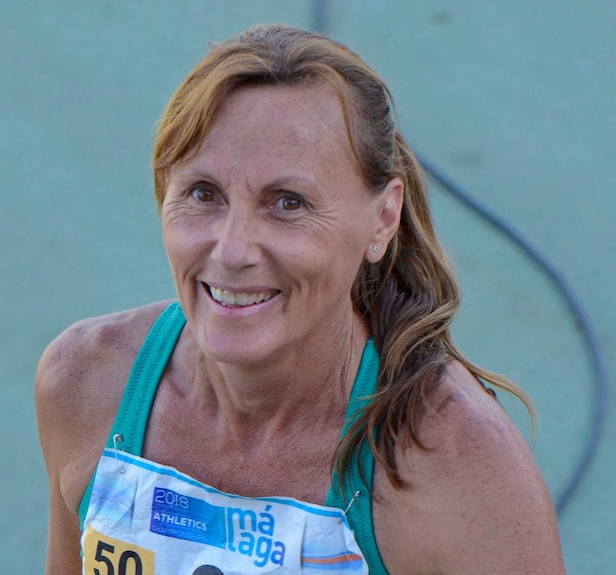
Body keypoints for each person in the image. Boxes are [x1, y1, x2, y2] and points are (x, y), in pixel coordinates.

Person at [35, 25, 566, 574]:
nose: (233, 249)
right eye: (203, 194)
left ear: (383, 219)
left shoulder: (461, 470)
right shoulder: (86, 381)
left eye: (287, 203)